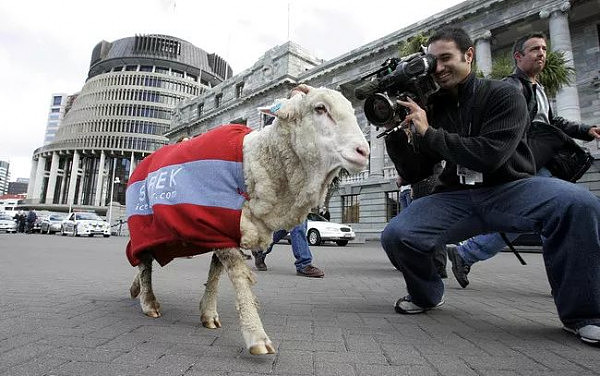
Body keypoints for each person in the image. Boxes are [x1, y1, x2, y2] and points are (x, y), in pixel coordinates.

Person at [380, 27, 600, 346]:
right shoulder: (432, 108)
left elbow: (491, 155)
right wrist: (397, 132)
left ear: (469, 55)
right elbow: (416, 171)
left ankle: (584, 315)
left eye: (446, 58)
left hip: (512, 189)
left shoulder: (503, 93)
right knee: (397, 235)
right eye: (433, 61)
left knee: (580, 204)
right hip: (457, 197)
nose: (439, 68)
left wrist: (429, 133)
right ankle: (426, 295)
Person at [445, 32, 600, 289]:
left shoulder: (537, 88)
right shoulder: (511, 87)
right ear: (518, 56)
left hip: (544, 161)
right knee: (560, 214)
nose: (541, 53)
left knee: (546, 218)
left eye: (544, 48)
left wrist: (585, 130)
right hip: (528, 163)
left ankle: (467, 254)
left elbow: (551, 122)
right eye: (534, 49)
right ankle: (467, 253)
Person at [253, 220, 324, 278]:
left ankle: (260, 250)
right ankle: (303, 264)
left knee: (285, 228)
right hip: (287, 203)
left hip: (298, 203)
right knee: (297, 222)